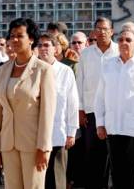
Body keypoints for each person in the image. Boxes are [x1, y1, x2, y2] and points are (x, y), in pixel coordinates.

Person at [0, 18, 56, 189]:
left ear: (31, 39)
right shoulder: (3, 70)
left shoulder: (44, 70)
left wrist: (44, 148)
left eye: (20, 36)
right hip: (7, 144)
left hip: (33, 145)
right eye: (12, 36)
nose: (15, 40)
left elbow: (47, 114)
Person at [94, 29, 134, 189]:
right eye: (121, 40)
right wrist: (100, 123)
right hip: (113, 128)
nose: (124, 43)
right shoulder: (108, 65)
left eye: (128, 40)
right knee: (117, 174)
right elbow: (100, 96)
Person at [76, 17, 119, 189]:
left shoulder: (118, 51)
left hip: (114, 111)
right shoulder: (86, 54)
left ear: (111, 31)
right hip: (91, 112)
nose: (101, 32)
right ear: (93, 32)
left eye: (104, 28)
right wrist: (80, 109)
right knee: (93, 155)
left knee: (114, 154)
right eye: (98, 29)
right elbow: (80, 82)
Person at [37, 33, 79, 189]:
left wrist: (71, 132)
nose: (43, 49)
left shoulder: (65, 71)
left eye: (47, 45)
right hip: (35, 133)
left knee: (57, 179)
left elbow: (72, 103)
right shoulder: (32, 70)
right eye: (40, 45)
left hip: (58, 132)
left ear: (55, 49)